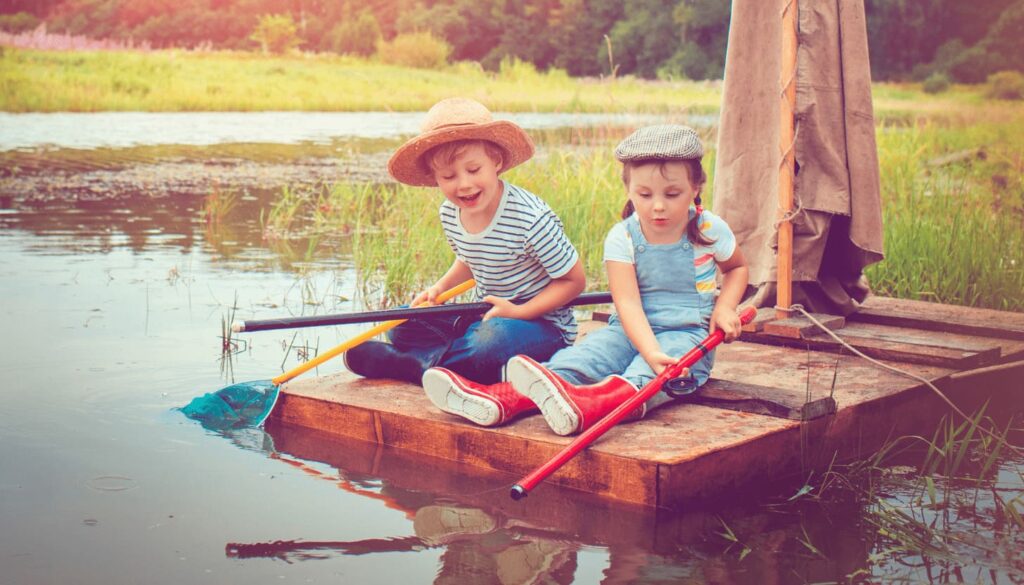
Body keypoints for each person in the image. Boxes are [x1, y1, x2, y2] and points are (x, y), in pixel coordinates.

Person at [424, 124, 748, 435]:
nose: (658, 206)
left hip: (686, 334)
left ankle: (589, 406)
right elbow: (629, 304)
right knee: (578, 359)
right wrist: (647, 347)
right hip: (627, 329)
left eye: (673, 193)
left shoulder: (709, 229)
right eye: (645, 194)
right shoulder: (622, 237)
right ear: (629, 190)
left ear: (695, 188)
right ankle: (504, 398)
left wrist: (725, 307)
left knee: (650, 374)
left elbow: (736, 269)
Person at [345, 98, 586, 425]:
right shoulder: (450, 213)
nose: (464, 184)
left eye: (474, 170)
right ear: (435, 177)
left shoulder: (530, 219)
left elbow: (574, 281)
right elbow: (470, 259)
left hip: (542, 324)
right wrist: (439, 288)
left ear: (496, 161)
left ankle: (413, 367)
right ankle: (443, 367)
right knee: (403, 324)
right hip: (484, 313)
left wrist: (519, 311)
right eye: (449, 176)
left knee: (489, 342)